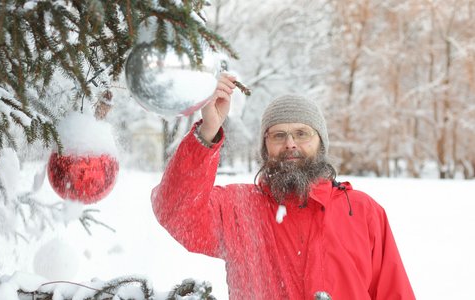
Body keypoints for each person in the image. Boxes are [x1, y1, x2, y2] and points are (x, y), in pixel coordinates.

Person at [151, 74, 415, 300]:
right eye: (278, 135)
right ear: (265, 147)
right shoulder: (239, 208)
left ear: (320, 143)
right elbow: (176, 211)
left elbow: (394, 292)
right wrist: (208, 131)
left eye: (302, 133)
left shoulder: (361, 211)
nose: (290, 143)